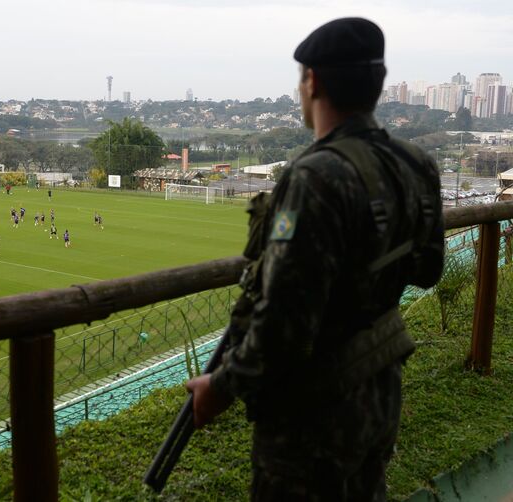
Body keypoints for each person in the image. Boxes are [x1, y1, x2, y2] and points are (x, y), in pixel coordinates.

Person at [184, 18, 445, 501]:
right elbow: (429, 270)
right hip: (380, 391)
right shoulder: (416, 162)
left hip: (313, 415)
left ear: (314, 83)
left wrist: (221, 387)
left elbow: (285, 323)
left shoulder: (315, 176)